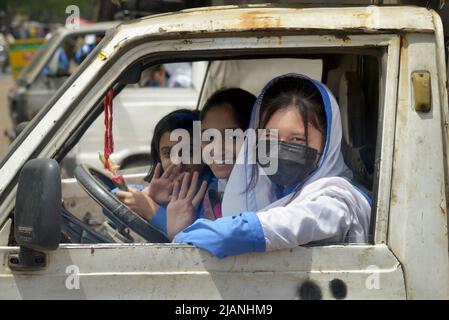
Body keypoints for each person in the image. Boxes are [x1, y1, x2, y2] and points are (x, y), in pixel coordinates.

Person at [168, 74, 371, 258]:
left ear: (328, 142)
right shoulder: (270, 190)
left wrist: (231, 232)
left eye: (297, 140)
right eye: (269, 137)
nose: (279, 149)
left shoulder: (338, 201)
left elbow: (293, 222)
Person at [115, 109, 209, 239]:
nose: (177, 162)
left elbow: (198, 243)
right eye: (168, 153)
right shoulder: (161, 187)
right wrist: (149, 194)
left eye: (189, 152)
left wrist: (152, 211)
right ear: (158, 157)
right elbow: (111, 202)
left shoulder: (214, 190)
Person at [195, 88, 256, 221]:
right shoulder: (211, 187)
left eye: (232, 137)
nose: (217, 149)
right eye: (209, 137)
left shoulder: (264, 195)